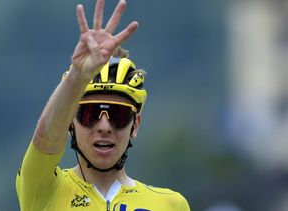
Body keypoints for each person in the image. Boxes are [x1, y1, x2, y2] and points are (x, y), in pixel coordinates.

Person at [16, 0, 190, 210]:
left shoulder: (171, 204)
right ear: (70, 123)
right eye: (90, 113)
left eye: (118, 115)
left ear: (135, 125)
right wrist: (76, 77)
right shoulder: (43, 188)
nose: (104, 126)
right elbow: (45, 138)